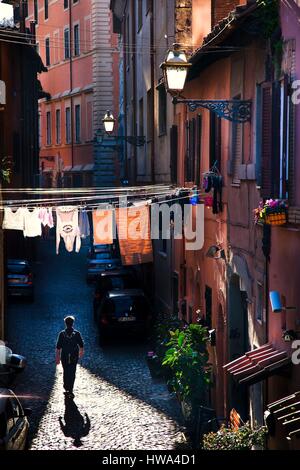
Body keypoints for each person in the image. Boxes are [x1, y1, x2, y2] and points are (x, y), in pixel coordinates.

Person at [55, 316, 84, 399]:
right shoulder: (77, 333)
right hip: (74, 356)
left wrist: (57, 357)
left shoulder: (61, 334)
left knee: (66, 371)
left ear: (65, 323)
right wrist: (81, 353)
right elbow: (81, 345)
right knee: (72, 372)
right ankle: (70, 389)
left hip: (64, 355)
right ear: (73, 323)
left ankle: (66, 387)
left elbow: (58, 347)